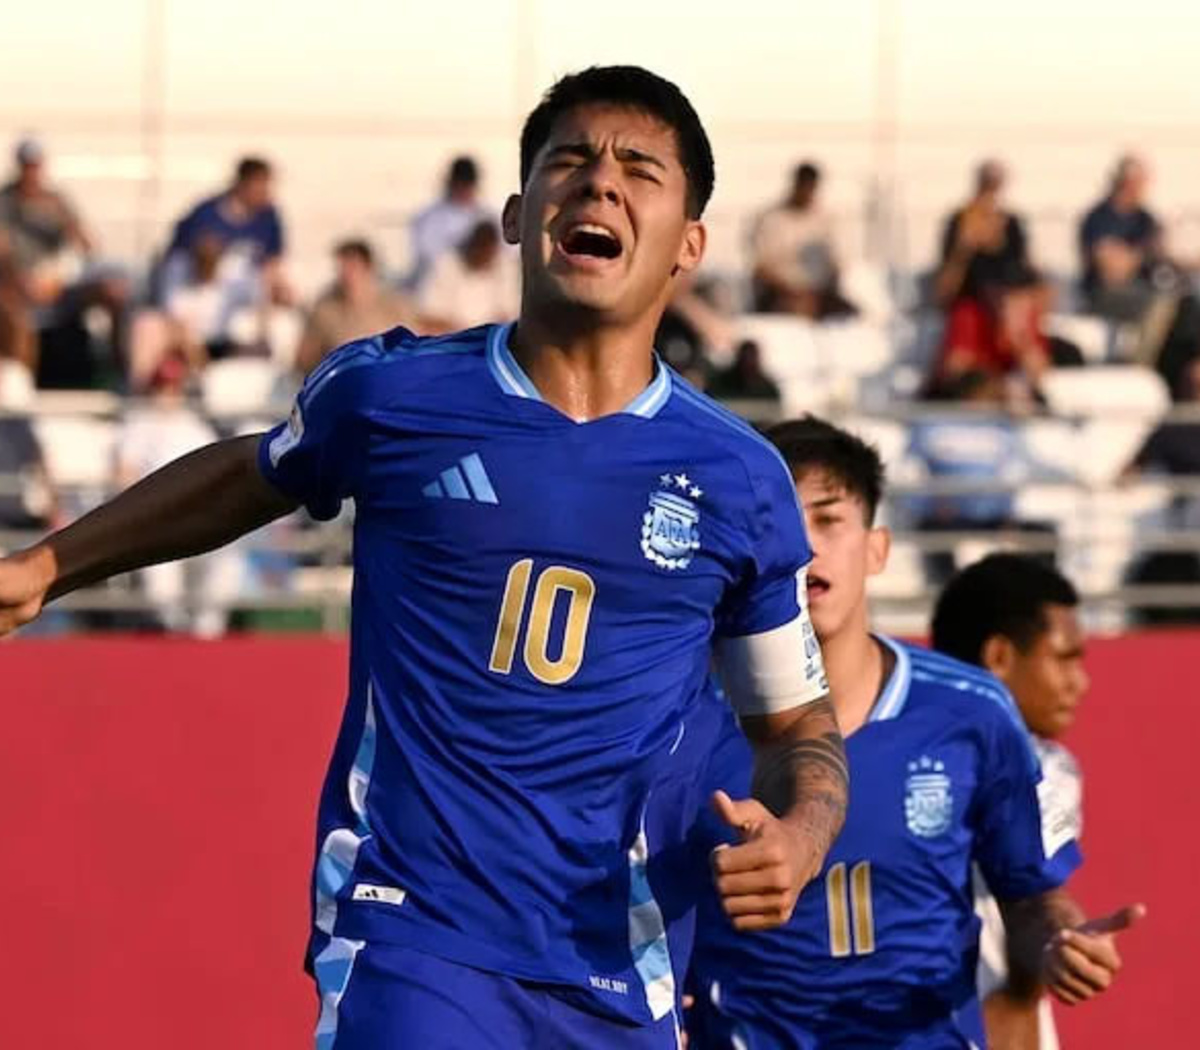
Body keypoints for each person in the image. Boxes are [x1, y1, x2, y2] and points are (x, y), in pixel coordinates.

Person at [0, 66, 848, 1049]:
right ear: (517, 213)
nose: (599, 183)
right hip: (411, 929)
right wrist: (46, 568)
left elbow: (796, 727)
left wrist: (803, 834)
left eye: (638, 170)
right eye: (569, 160)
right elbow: (250, 474)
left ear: (689, 246)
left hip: (620, 958)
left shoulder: (738, 476)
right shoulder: (393, 393)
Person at [688, 416, 1141, 1050]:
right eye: (783, 523)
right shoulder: (687, 716)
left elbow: (1031, 896)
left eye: (828, 520)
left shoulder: (972, 710)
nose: (806, 548)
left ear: (877, 548)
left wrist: (1060, 943)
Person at [932, 553, 1092, 1050]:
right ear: (999, 656)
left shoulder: (1051, 769)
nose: (1079, 682)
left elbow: (1038, 906)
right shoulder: (878, 758)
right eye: (1064, 657)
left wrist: (1023, 991)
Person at [0, 138, 130, 387]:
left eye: (36, 166)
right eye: (27, 166)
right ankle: (22, 388)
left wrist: (65, 224)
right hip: (17, 287)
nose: (32, 173)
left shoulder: (56, 200)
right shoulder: (5, 202)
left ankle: (120, 378)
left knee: (113, 291)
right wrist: (26, 284)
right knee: (15, 312)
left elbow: (89, 246)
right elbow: (3, 254)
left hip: (58, 285)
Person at [932, 160, 1050, 391]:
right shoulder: (959, 223)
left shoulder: (1013, 225)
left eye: (994, 186)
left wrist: (1019, 332)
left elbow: (1037, 284)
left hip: (1010, 311)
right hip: (975, 311)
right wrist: (964, 247)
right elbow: (943, 293)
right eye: (986, 186)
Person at [161, 156, 291, 317]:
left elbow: (272, 262)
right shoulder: (207, 212)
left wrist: (277, 289)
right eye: (260, 184)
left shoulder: (268, 216)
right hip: (198, 282)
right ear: (243, 183)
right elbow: (189, 257)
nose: (266, 191)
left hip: (244, 288)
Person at [295, 239, 419, 376]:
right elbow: (303, 360)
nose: (347, 275)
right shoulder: (326, 310)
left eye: (353, 267)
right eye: (342, 269)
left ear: (369, 268)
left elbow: (414, 350)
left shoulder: (396, 305)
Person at [751, 162, 856, 319]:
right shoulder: (772, 219)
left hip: (818, 295)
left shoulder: (825, 219)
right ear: (795, 185)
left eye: (811, 188)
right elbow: (761, 268)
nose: (807, 193)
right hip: (781, 295)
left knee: (851, 314)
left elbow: (837, 265)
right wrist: (794, 292)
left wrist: (818, 292)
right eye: (804, 187)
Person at [406, 155, 492, 290]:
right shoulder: (428, 219)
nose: (464, 191)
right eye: (461, 185)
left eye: (468, 186)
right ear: (452, 183)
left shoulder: (487, 216)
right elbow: (428, 259)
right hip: (440, 290)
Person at [417, 219, 517, 331]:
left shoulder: (505, 266)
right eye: (479, 248)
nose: (482, 255)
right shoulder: (448, 265)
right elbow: (430, 317)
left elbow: (509, 314)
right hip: (453, 338)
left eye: (488, 251)